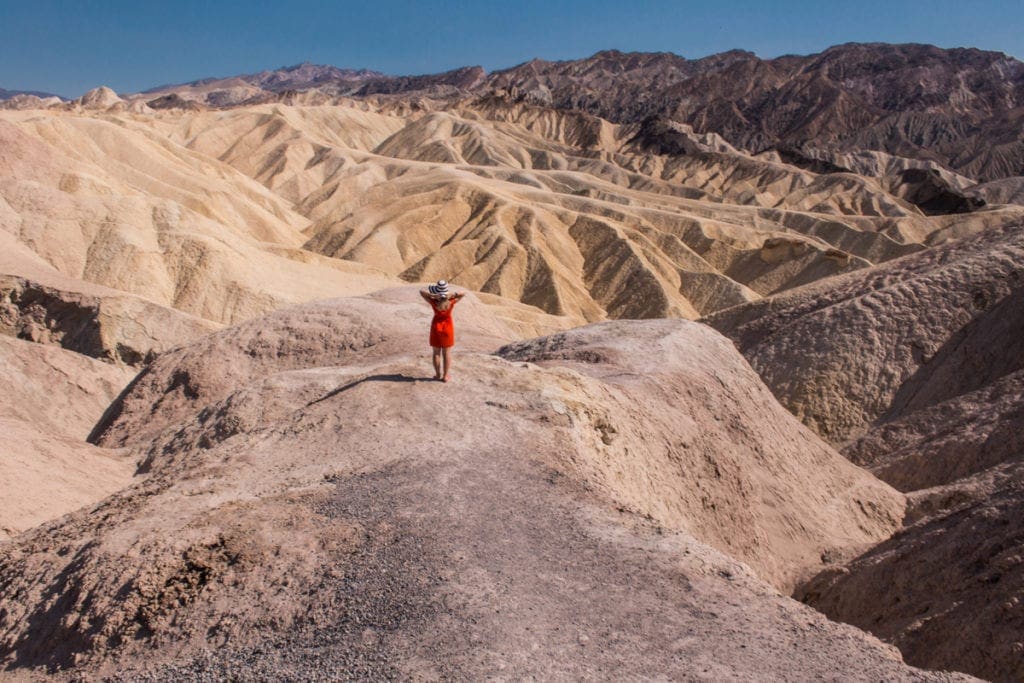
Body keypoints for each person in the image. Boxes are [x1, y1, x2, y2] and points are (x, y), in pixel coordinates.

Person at [419, 280, 465, 382]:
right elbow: (463, 293)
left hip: (436, 327)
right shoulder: (451, 301)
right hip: (448, 327)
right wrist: (452, 294)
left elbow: (421, 292)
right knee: (447, 353)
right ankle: (445, 376)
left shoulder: (434, 301)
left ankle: (437, 374)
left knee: (436, 352)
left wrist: (434, 295)